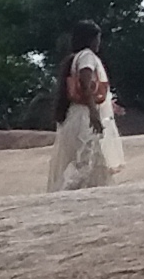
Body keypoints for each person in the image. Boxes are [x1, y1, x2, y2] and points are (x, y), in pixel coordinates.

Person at [46, 22, 126, 192]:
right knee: (86, 156)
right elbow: (85, 82)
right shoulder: (87, 56)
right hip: (84, 114)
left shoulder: (75, 58)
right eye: (97, 38)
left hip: (77, 113)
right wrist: (93, 112)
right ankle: (73, 191)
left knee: (88, 156)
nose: (99, 42)